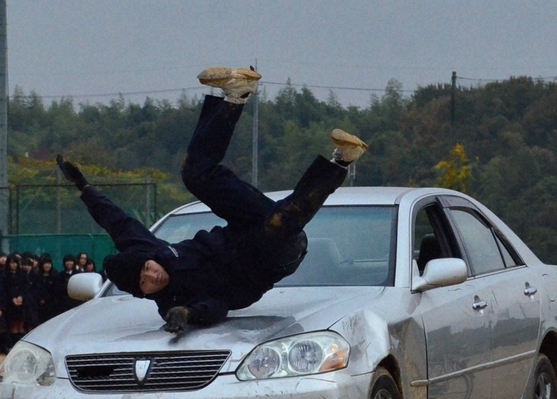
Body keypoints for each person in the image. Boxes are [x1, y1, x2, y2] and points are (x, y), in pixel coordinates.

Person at [56, 66, 367, 333]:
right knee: (278, 222)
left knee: (195, 174)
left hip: (242, 228)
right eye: (145, 282)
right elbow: (217, 306)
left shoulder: (145, 250)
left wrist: (83, 187)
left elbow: (115, 221)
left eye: (147, 268)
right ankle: (341, 161)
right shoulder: (172, 302)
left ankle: (236, 95)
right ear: (143, 293)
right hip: (271, 256)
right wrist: (189, 315)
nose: (152, 275)